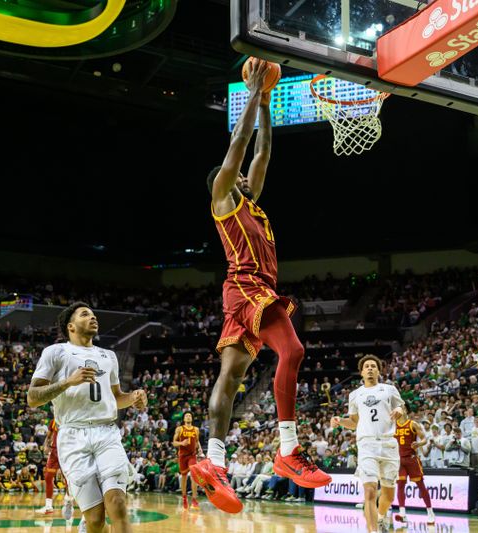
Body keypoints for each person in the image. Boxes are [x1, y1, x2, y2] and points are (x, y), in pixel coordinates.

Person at [190, 58, 330, 515]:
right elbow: (240, 145)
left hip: (246, 295)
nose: (247, 174)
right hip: (249, 288)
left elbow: (263, 150)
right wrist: (251, 92)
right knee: (292, 352)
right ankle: (288, 450)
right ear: (225, 184)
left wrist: (268, 102)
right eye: (238, 174)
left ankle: (213, 462)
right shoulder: (224, 200)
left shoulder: (254, 204)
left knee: (230, 378)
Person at [27, 303, 147, 533]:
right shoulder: (55, 352)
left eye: (93, 315)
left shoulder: (108, 355)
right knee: (95, 519)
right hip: (72, 435)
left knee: (118, 503)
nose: (93, 318)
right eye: (85, 315)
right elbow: (33, 397)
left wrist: (133, 397)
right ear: (71, 326)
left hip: (106, 432)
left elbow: (115, 397)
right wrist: (67, 382)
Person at [331, 355, 404, 533]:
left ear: (379, 371)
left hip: (388, 445)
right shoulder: (355, 395)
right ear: (362, 372)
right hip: (366, 445)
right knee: (370, 491)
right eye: (367, 366)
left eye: (373, 366)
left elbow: (404, 412)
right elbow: (354, 422)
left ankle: (380, 517)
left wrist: (400, 410)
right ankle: (372, 531)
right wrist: (340, 420)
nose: (370, 368)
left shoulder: (389, 389)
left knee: (388, 495)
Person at [392, 403, 435, 525]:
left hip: (411, 459)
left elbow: (424, 438)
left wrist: (419, 444)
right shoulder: (393, 426)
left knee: (420, 486)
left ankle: (430, 512)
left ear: (406, 411)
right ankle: (402, 513)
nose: (401, 410)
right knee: (400, 484)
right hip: (399, 460)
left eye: (403, 408)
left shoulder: (413, 424)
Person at [35, 418, 75, 521]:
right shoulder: (53, 421)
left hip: (66, 451)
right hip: (54, 452)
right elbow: (49, 435)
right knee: (48, 477)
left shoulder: (71, 418)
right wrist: (45, 445)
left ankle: (69, 501)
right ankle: (48, 506)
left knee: (67, 478)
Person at [172, 412, 203, 509]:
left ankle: (194, 499)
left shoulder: (196, 429)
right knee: (184, 477)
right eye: (186, 416)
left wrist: (200, 448)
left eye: (190, 415)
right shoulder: (180, 429)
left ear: (192, 418)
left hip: (192, 455)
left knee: (194, 474)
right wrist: (181, 443)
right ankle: (184, 498)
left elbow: (197, 441)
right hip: (182, 456)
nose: (188, 416)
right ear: (184, 419)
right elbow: (174, 443)